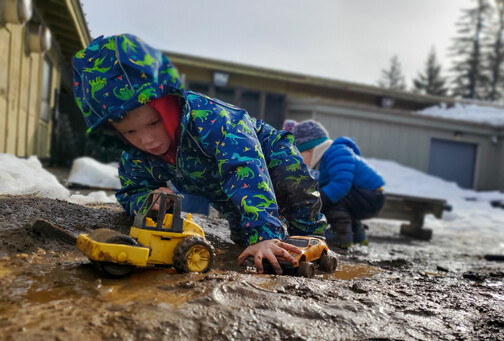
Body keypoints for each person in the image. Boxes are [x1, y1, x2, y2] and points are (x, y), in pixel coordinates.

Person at [72, 34, 326, 274]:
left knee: (293, 190)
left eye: (153, 124)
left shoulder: (213, 119)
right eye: (129, 132)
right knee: (244, 238)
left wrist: (265, 235)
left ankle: (313, 242)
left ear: (169, 107)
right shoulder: (136, 155)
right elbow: (131, 191)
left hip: (262, 159)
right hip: (219, 186)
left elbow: (244, 169)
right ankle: (269, 244)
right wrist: (148, 199)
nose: (145, 140)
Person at [285, 119, 385, 248]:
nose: (300, 163)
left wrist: (317, 200)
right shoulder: (321, 161)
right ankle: (358, 236)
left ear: (311, 149)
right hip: (361, 196)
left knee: (331, 199)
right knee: (332, 198)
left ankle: (342, 236)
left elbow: (342, 183)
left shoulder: (337, 151)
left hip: (371, 196)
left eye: (299, 156)